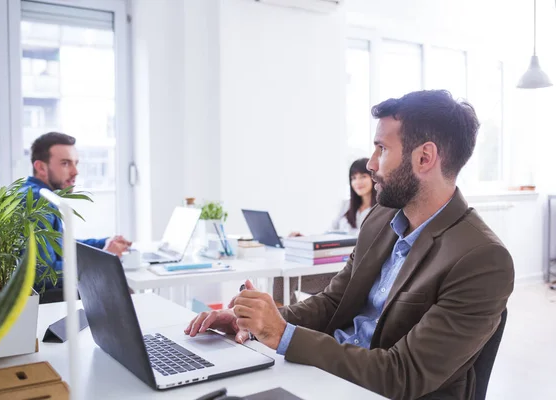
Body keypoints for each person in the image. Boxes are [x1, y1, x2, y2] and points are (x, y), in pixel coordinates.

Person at [185, 90, 514, 400]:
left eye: (381, 149)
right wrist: (256, 324)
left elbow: (403, 374)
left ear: (425, 157)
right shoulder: (381, 218)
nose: (370, 164)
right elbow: (333, 302)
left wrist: (282, 334)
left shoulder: (482, 259)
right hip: (328, 377)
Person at [22, 132, 132, 291]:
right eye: (66, 163)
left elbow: (61, 246)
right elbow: (43, 273)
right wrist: (100, 261)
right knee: (122, 290)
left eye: (76, 163)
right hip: (48, 300)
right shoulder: (37, 201)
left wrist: (104, 244)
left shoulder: (35, 193)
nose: (75, 171)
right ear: (40, 167)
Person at [274, 158, 377, 304]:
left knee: (286, 278)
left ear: (373, 177)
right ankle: (284, 320)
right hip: (329, 265)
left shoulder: (380, 209)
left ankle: (283, 320)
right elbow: (329, 234)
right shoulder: (346, 206)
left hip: (345, 272)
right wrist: (307, 240)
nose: (357, 182)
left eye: (363, 176)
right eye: (353, 178)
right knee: (281, 275)